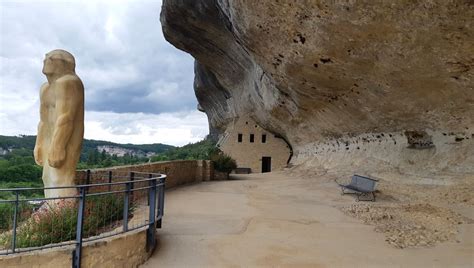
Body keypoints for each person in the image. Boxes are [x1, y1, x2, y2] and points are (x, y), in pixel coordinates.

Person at [33, 49, 84, 198]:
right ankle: (53, 210)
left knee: (59, 178)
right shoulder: (45, 88)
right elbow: (43, 120)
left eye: (52, 58)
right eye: (46, 56)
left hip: (65, 138)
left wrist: (58, 147)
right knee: (47, 177)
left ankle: (64, 210)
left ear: (65, 64)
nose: (46, 59)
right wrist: (39, 144)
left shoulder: (68, 82)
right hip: (50, 136)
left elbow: (66, 118)